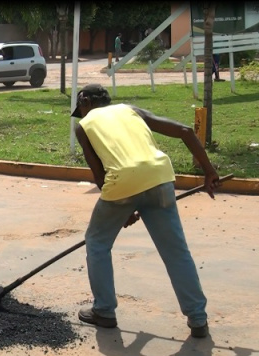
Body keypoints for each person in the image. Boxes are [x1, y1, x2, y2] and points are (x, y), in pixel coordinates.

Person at [71, 84, 222, 339]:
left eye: (81, 107)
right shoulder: (131, 110)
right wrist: (209, 171)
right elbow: (185, 131)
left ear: (84, 100)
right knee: (176, 252)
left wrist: (121, 207)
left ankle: (104, 311)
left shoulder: (83, 126)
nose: (82, 113)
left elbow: (99, 173)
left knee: (97, 243)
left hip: (122, 183)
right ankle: (198, 319)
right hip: (160, 178)